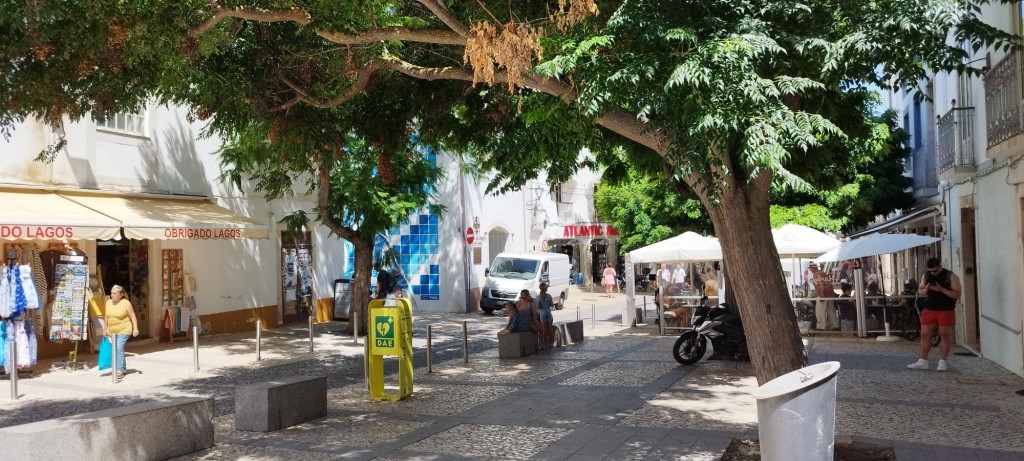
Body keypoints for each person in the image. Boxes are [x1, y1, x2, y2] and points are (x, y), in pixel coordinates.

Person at [908, 258, 961, 371]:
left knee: (944, 335)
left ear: (939, 266)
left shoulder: (950, 276)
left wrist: (941, 289)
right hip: (929, 308)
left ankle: (942, 362)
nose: (932, 273)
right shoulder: (926, 275)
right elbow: (920, 291)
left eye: (935, 271)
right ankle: (923, 361)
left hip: (945, 309)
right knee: (925, 334)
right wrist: (926, 288)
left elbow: (957, 294)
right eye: (930, 271)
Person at [105, 284, 139, 380]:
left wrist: (135, 328)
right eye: (111, 293)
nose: (112, 295)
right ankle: (123, 368)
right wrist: (105, 329)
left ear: (121, 294)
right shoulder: (108, 303)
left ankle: (119, 369)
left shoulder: (126, 303)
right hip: (112, 331)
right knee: (116, 348)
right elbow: (106, 316)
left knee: (119, 346)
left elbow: (132, 316)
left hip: (124, 329)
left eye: (115, 293)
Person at [808, 262, 838, 331]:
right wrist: (832, 294)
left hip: (823, 295)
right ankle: (834, 325)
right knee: (831, 311)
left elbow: (820, 285)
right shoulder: (824, 273)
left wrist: (821, 295)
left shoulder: (816, 275)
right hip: (830, 295)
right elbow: (830, 284)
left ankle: (821, 326)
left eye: (810, 268)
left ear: (813, 268)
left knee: (820, 312)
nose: (810, 270)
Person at [533, 282, 555, 349]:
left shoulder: (538, 297)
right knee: (550, 329)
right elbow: (552, 305)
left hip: (542, 313)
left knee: (544, 329)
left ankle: (543, 344)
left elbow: (537, 307)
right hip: (548, 312)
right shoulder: (549, 296)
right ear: (546, 289)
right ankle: (551, 343)